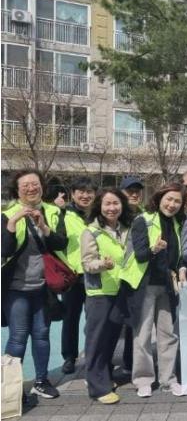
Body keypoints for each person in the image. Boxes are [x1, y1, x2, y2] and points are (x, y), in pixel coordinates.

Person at [1, 169, 67, 400]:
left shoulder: (53, 211)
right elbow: (4, 250)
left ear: (42, 186)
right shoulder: (6, 214)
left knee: (42, 334)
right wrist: (12, 223)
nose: (31, 188)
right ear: (17, 190)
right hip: (15, 288)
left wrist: (44, 228)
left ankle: (41, 381)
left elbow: (61, 243)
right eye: (25, 185)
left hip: (43, 286)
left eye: (35, 184)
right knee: (18, 337)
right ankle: (11, 388)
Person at [121, 183, 186, 398]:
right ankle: (143, 380)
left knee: (168, 334)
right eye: (169, 199)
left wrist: (181, 268)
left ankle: (169, 380)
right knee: (143, 335)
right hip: (145, 285)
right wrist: (154, 249)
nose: (172, 204)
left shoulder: (177, 223)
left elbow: (177, 255)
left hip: (167, 286)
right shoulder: (143, 220)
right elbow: (140, 255)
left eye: (177, 201)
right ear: (159, 199)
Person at [80, 188, 134, 404]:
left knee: (110, 339)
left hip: (120, 290)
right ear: (99, 207)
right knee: (96, 340)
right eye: (107, 204)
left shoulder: (126, 229)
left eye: (116, 203)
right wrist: (103, 264)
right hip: (100, 293)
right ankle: (97, 387)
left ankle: (104, 377)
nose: (112, 208)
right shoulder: (91, 232)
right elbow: (87, 263)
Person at [59, 176, 97, 375]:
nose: (85, 195)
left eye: (89, 192)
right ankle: (69, 357)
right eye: (81, 191)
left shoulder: (99, 215)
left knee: (94, 318)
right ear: (72, 194)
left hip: (95, 272)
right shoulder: (63, 214)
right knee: (70, 318)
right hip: (73, 275)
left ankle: (93, 355)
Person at [119, 175, 144, 374]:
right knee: (111, 324)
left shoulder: (144, 215)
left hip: (135, 277)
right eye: (130, 191)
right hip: (114, 276)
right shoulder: (115, 215)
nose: (134, 195)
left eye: (137, 191)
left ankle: (129, 362)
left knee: (131, 322)